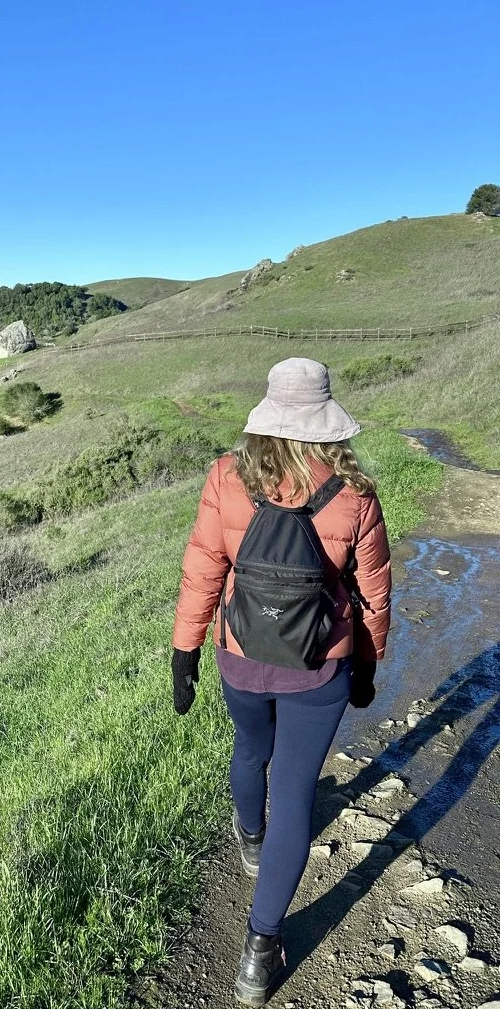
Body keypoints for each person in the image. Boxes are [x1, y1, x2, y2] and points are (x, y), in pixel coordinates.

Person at [171, 357, 391, 1006]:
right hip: (319, 665)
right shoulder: (357, 495)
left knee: (249, 751)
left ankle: (250, 842)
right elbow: (374, 592)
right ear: (329, 425)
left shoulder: (225, 476)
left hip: (239, 655)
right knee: (293, 792)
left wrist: (185, 652)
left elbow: (204, 567)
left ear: (265, 417)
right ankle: (259, 954)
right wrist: (368, 665)